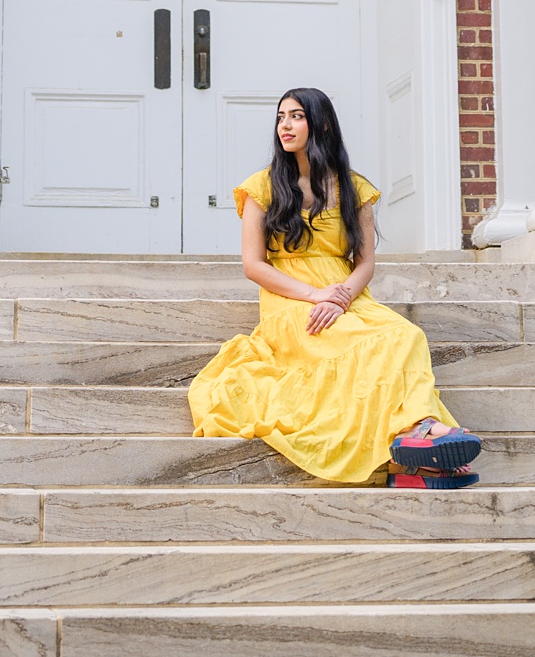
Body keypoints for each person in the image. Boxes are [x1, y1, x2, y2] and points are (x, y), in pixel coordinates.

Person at [188, 87, 480, 486]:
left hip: (346, 295)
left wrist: (339, 297)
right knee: (368, 343)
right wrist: (315, 295)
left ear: (320, 123)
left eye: (296, 116)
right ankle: (417, 443)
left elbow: (365, 264)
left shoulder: (353, 187)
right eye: (280, 117)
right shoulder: (261, 186)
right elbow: (253, 265)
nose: (285, 126)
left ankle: (416, 443)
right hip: (290, 298)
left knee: (403, 334)